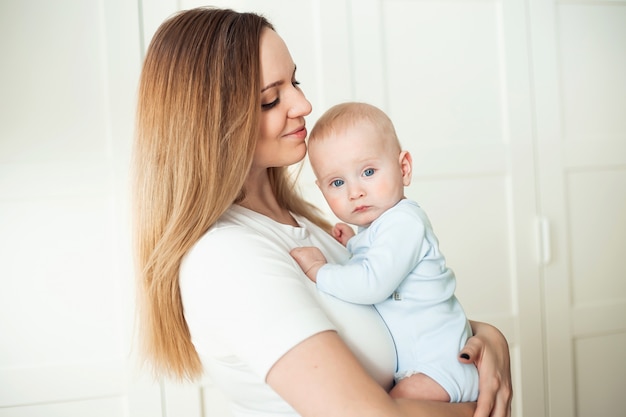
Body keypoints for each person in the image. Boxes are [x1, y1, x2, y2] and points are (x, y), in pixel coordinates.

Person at [133, 6, 512, 417]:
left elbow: (402, 312)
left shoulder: (310, 225)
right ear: (212, 123)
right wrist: (483, 410)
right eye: (271, 99)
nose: (304, 104)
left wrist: (487, 336)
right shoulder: (229, 258)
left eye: (294, 81)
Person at [290, 101, 478, 403]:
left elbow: (372, 283)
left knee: (390, 406)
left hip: (442, 365)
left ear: (403, 168)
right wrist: (353, 243)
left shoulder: (405, 221)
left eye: (368, 171)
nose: (355, 191)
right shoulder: (382, 227)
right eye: (337, 182)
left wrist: (320, 271)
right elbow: (380, 258)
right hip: (424, 366)